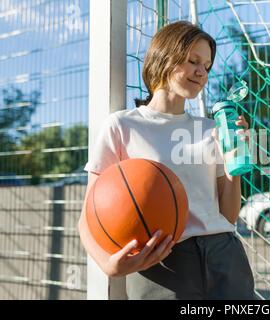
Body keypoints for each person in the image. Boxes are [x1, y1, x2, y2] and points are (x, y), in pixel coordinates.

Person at [77, 21, 256, 300]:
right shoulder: (122, 126)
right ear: (164, 57)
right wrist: (107, 264)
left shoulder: (210, 129)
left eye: (207, 66)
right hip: (162, 264)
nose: (201, 72)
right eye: (193, 61)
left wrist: (235, 164)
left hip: (225, 256)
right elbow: (88, 216)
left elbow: (228, 217)